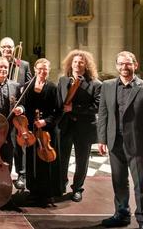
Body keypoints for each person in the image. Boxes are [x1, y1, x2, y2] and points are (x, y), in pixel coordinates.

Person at [97, 51, 143, 229]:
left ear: (135, 65)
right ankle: (122, 214)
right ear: (116, 66)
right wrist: (102, 139)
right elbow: (103, 114)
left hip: (139, 146)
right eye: (121, 64)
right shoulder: (107, 86)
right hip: (114, 143)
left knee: (142, 185)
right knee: (119, 182)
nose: (124, 67)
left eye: (128, 64)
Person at [13, 58, 62, 205]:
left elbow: (59, 111)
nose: (42, 72)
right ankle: (33, 191)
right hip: (31, 129)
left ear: (48, 70)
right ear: (35, 70)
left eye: (45, 69)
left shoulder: (53, 87)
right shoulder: (27, 86)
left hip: (47, 131)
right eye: (39, 69)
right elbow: (23, 105)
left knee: (46, 161)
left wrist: (45, 121)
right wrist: (20, 109)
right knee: (31, 159)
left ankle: (48, 193)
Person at [57, 50, 101, 202]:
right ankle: (61, 185)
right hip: (65, 126)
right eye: (75, 61)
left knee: (82, 160)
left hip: (84, 127)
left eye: (81, 62)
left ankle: (77, 189)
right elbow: (58, 103)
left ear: (86, 65)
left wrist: (74, 108)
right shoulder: (63, 81)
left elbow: (97, 107)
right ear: (71, 63)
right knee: (62, 158)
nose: (77, 64)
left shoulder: (95, 84)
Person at [0, 37, 32, 190]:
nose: (7, 49)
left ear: (14, 49)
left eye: (10, 47)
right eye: (4, 47)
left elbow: (28, 89)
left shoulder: (23, 64)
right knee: (4, 144)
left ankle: (22, 174)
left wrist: (23, 107)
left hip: (18, 113)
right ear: (0, 49)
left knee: (20, 146)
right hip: (2, 113)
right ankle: (2, 174)